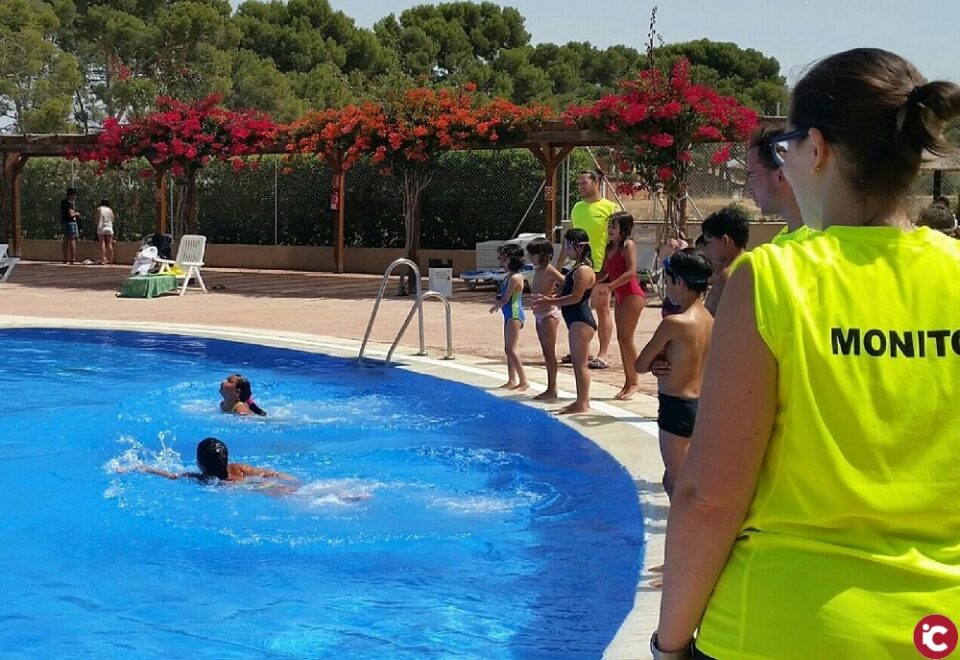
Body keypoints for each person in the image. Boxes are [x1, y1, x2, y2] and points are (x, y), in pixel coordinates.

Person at [654, 48, 960, 660]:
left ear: (814, 148)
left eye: (786, 144)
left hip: (776, 627)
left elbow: (710, 498)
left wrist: (669, 643)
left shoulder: (771, 280)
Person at [635, 249, 713, 499]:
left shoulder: (675, 323)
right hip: (701, 405)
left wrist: (654, 361)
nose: (666, 287)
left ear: (679, 282)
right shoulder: (710, 320)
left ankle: (687, 536)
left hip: (675, 406)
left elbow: (639, 364)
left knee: (677, 484)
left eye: (667, 282)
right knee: (684, 479)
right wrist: (661, 362)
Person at [532, 228, 597, 415]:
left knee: (580, 363)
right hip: (576, 321)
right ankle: (580, 401)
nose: (565, 248)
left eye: (568, 245)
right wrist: (556, 294)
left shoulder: (583, 270)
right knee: (577, 363)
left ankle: (583, 403)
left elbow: (576, 298)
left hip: (581, 321)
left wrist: (550, 301)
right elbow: (569, 292)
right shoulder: (577, 268)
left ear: (578, 246)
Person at [571, 170, 618, 369]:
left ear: (597, 183)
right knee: (578, 309)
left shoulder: (610, 208)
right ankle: (583, 349)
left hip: (602, 267)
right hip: (581, 268)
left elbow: (616, 239)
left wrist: (609, 265)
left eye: (584, 183)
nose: (581, 187)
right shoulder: (577, 208)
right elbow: (572, 238)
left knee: (602, 309)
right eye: (579, 183)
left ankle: (603, 353)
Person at [604, 211, 646, 400]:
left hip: (631, 295)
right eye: (609, 226)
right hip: (620, 296)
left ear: (624, 229)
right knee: (621, 339)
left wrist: (611, 286)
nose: (610, 230)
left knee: (626, 338)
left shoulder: (628, 245)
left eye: (614, 226)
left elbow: (631, 272)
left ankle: (635, 382)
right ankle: (628, 381)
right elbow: (606, 272)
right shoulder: (609, 247)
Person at [746, 125, 812, 245]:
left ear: (780, 176)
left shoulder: (817, 245)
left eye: (752, 176)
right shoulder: (780, 241)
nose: (748, 189)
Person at [131, 437, 297, 483]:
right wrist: (290, 478)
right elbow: (269, 473)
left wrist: (143, 467)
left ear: (200, 464)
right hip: (255, 486)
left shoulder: (202, 478)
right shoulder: (238, 469)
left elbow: (171, 476)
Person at [526, 239, 564, 401]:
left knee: (550, 353)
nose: (529, 256)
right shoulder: (538, 270)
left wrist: (554, 297)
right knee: (545, 352)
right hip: (539, 315)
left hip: (549, 315)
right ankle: (550, 387)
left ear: (542, 255)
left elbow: (567, 283)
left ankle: (552, 388)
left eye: (532, 254)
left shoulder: (550, 270)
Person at [488, 244, 529, 391]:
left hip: (514, 315)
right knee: (508, 349)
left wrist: (495, 306)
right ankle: (512, 380)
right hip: (509, 315)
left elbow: (506, 299)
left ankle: (523, 381)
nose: (501, 262)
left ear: (513, 260)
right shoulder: (509, 276)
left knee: (511, 349)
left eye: (504, 259)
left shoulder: (516, 278)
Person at [699, 205, 750, 316]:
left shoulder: (729, 276)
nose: (706, 248)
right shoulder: (753, 265)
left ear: (725, 240)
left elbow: (708, 318)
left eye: (708, 242)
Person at [60, 187, 81, 264]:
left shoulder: (63, 202)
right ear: (71, 195)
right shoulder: (69, 203)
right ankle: (73, 258)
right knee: (72, 240)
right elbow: (71, 214)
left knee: (65, 241)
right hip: (71, 223)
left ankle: (65, 258)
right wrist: (77, 214)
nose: (75, 197)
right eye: (74, 195)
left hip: (64, 222)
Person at [95, 199, 115, 265]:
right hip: (109, 227)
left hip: (101, 227)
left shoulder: (99, 209)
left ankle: (103, 259)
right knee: (109, 243)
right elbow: (113, 219)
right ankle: (111, 260)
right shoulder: (110, 210)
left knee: (102, 243)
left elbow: (97, 219)